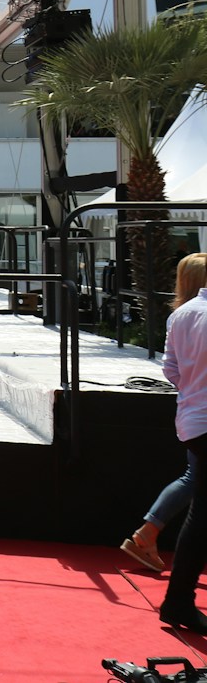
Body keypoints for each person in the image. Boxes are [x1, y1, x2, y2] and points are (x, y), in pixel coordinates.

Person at [125, 253, 207, 573]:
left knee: (193, 479)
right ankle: (147, 535)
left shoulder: (180, 316)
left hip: (191, 414)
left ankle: (147, 534)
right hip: (199, 413)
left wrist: (192, 387)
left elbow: (170, 369)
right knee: (194, 483)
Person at [157, 253, 207, 631]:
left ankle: (178, 601)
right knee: (202, 516)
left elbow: (171, 370)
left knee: (202, 515)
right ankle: (177, 601)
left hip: (193, 421)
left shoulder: (182, 315)